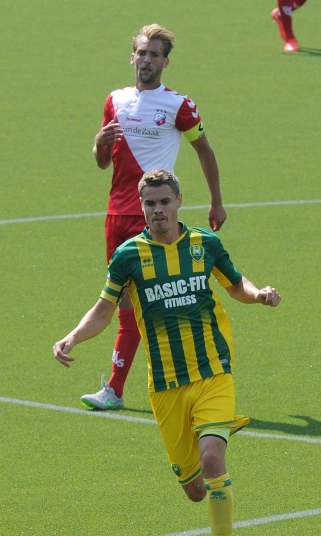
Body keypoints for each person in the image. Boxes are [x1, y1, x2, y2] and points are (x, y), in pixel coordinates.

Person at [53, 169, 280, 536]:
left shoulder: (204, 244)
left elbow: (235, 284)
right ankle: (214, 440)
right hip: (166, 387)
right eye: (150, 204)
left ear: (179, 201)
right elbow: (104, 309)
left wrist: (258, 294)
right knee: (195, 489)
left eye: (164, 201)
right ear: (142, 208)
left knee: (213, 460)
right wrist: (72, 336)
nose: (158, 210)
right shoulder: (128, 256)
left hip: (213, 372)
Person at [82, 23, 226, 412]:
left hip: (154, 217)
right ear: (133, 56)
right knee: (126, 305)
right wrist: (98, 144)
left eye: (154, 54)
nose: (147, 60)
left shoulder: (178, 105)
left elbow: (205, 151)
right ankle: (125, 388)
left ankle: (119, 388)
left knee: (156, 303)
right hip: (116, 215)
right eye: (142, 53)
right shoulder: (114, 100)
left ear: (165, 61)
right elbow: (102, 163)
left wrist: (216, 202)